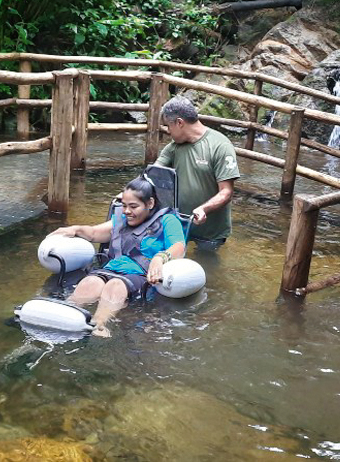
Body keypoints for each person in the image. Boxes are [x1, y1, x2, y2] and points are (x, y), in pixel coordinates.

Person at [49, 175, 186, 337]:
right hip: (110, 268)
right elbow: (94, 233)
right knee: (90, 282)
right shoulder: (121, 218)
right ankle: (63, 313)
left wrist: (160, 258)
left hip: (140, 274)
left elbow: (179, 247)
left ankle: (98, 324)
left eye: (133, 206)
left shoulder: (167, 220)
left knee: (115, 285)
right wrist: (76, 229)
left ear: (150, 203)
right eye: (125, 205)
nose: (127, 211)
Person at [155, 96, 240, 251]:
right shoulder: (173, 148)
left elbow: (226, 192)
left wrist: (203, 209)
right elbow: (152, 175)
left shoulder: (220, 145)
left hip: (210, 231)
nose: (168, 131)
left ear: (180, 123)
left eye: (168, 126)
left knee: (207, 268)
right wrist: (129, 193)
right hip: (178, 225)